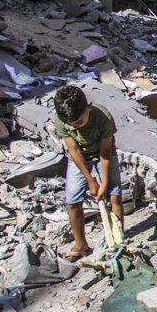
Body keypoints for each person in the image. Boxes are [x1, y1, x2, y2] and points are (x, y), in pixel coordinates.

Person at [54, 85, 123, 262]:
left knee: (113, 197)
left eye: (80, 122)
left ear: (89, 107)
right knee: (72, 202)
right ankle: (80, 244)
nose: (77, 127)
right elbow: (74, 151)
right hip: (78, 160)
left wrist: (104, 183)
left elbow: (105, 154)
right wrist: (90, 180)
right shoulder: (61, 120)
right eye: (73, 125)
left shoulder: (103, 117)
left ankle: (118, 241)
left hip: (103, 155)